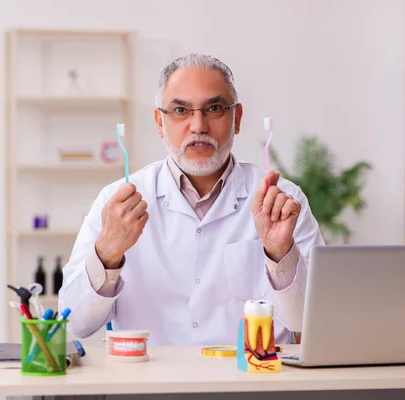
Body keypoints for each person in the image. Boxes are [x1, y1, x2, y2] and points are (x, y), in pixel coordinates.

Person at [58, 53, 325, 346]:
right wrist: (106, 254)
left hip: (253, 385)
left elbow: (313, 323)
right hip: (151, 386)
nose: (198, 125)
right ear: (160, 121)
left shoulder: (283, 201)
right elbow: (75, 324)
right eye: (181, 110)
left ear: (236, 119)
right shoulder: (117, 201)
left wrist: (281, 254)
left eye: (214, 108)